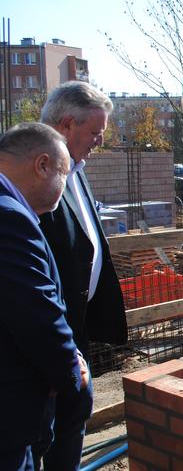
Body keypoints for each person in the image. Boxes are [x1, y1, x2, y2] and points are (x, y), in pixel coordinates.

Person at [36, 81, 128, 470]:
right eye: (94, 133)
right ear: (68, 124)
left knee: (74, 418)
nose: (98, 142)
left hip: (78, 325)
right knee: (41, 429)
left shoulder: (76, 168)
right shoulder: (35, 175)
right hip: (46, 329)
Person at [0, 123, 86, 471]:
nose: (65, 185)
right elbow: (37, 315)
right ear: (43, 165)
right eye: (65, 174)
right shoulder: (10, 219)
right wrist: (70, 371)